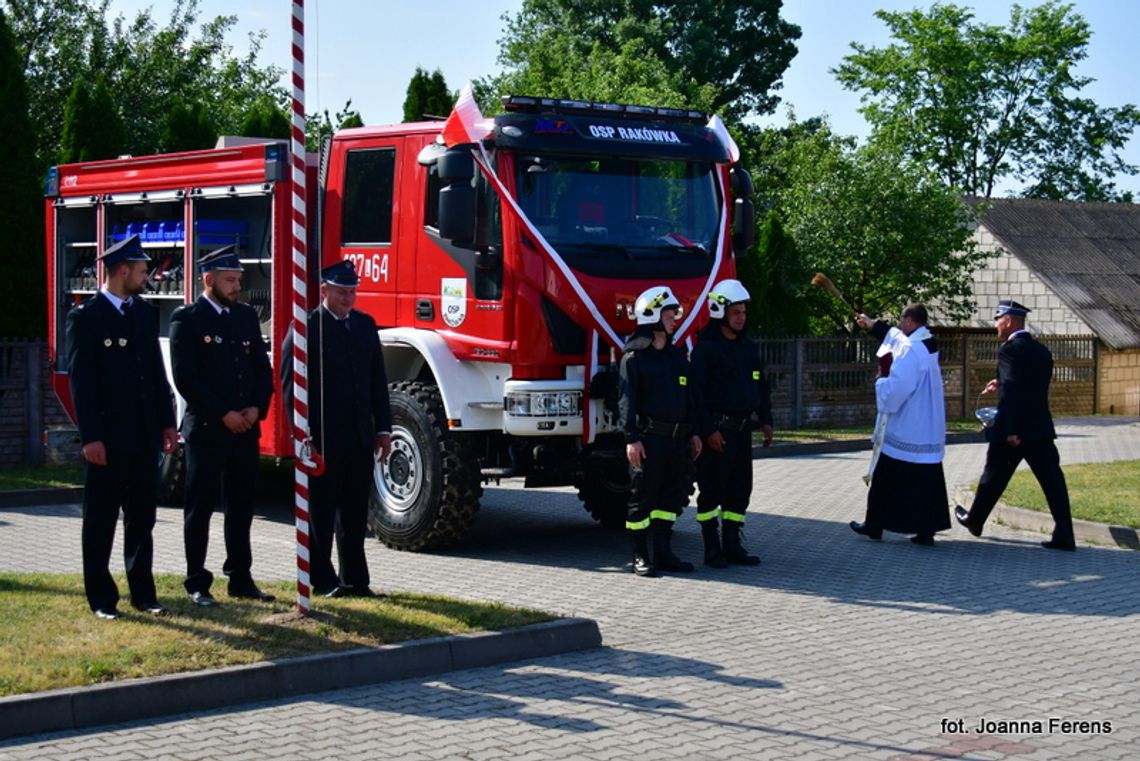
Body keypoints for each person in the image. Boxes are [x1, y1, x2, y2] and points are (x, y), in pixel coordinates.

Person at [66, 234, 178, 619]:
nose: (148, 276)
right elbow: (84, 384)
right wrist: (92, 436)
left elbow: (156, 374)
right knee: (99, 520)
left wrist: (167, 423)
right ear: (122, 270)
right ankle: (101, 598)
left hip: (143, 436)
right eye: (143, 270)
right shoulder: (86, 317)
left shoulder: (142, 313)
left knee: (141, 517)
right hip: (108, 440)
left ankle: (143, 594)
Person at [170, 245, 275, 606]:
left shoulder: (245, 316)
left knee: (242, 505)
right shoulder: (188, 319)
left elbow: (263, 370)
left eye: (239, 280)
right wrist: (223, 414)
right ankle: (197, 581)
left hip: (244, 430)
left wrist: (256, 408)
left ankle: (240, 578)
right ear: (208, 279)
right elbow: (186, 379)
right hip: (207, 430)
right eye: (229, 280)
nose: (236, 287)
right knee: (200, 506)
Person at [281, 260, 392, 597]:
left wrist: (384, 429)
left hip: (359, 437)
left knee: (356, 514)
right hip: (324, 438)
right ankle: (323, 579)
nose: (348, 298)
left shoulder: (364, 325)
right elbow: (291, 386)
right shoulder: (306, 328)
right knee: (322, 514)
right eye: (342, 292)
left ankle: (355, 580)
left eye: (352, 291)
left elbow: (377, 381)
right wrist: (302, 437)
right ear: (324, 290)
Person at [955, 300, 1075, 550]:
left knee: (993, 475)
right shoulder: (1042, 351)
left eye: (998, 319)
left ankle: (975, 521)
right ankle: (1065, 534)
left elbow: (1012, 391)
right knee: (1053, 481)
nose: (996, 324)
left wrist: (1011, 430)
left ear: (1008, 321)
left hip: (1014, 430)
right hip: (1039, 428)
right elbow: (1030, 387)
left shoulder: (1008, 350)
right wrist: (1000, 381)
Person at [849, 305, 951, 545]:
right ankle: (926, 530)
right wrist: (873, 324)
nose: (900, 325)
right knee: (926, 481)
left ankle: (874, 525)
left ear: (909, 321)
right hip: (926, 426)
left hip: (908, 424)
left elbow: (897, 388)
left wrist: (881, 382)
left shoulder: (911, 350)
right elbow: (895, 338)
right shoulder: (927, 342)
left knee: (884, 476)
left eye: (902, 320)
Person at [619, 286, 702, 577]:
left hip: (677, 440)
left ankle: (664, 553)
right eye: (669, 314)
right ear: (652, 314)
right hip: (649, 439)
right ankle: (640, 555)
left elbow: (688, 397)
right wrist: (632, 439)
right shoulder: (634, 358)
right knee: (643, 498)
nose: (674, 319)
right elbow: (627, 401)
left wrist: (693, 433)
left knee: (671, 498)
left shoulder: (676, 356)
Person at [690, 279, 771, 567]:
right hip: (718, 432)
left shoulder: (747, 348)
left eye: (744, 312)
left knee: (740, 489)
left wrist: (766, 419)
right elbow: (696, 395)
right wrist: (708, 430)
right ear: (719, 312)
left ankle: (733, 545)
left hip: (742, 431)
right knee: (712, 490)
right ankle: (712, 549)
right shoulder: (706, 351)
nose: (741, 317)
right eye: (736, 312)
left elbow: (761, 385)